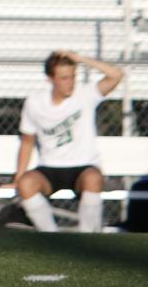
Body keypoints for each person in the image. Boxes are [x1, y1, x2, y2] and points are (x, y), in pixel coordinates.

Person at [13, 50, 125, 234]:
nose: (70, 82)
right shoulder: (35, 102)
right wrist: (18, 178)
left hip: (83, 168)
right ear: (50, 79)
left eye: (73, 76)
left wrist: (80, 59)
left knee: (93, 178)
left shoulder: (85, 94)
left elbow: (116, 75)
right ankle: (51, 239)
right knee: (26, 183)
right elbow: (27, 141)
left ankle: (88, 240)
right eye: (64, 78)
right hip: (50, 168)